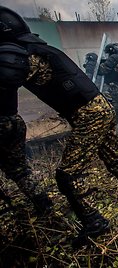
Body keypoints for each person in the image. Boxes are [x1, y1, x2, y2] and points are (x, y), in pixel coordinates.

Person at [0, 6, 118, 245]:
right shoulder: (40, 50)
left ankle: (94, 222)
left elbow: (7, 81)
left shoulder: (22, 57)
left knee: (67, 175)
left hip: (88, 114)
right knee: (112, 157)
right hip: (100, 108)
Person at [0, 42, 53, 214]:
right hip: (14, 120)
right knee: (21, 171)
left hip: (5, 122)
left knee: (20, 170)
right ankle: (44, 204)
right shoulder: (8, 65)